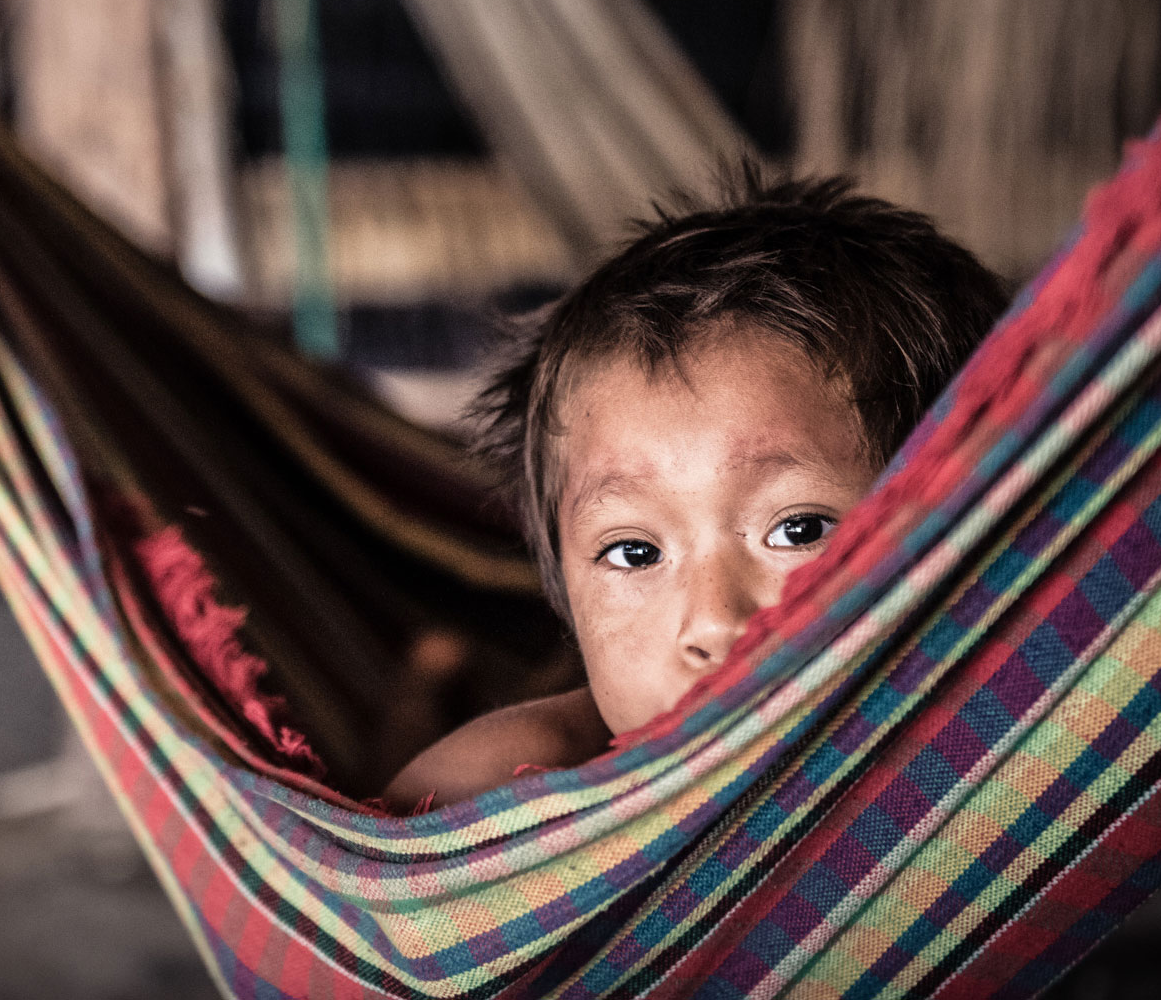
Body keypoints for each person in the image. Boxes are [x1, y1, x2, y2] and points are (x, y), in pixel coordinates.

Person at [384, 172, 1008, 809]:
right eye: (634, 552)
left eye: (798, 529)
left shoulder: (1028, 739)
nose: (714, 622)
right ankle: (427, 680)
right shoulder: (511, 782)